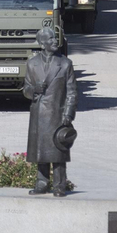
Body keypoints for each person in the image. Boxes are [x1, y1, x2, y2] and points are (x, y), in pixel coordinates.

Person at [24, 24, 78, 196]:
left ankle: (60, 185)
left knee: (58, 151)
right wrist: (34, 90)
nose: (55, 41)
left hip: (57, 113)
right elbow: (25, 89)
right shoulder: (32, 64)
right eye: (50, 39)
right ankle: (41, 182)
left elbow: (72, 92)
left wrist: (68, 114)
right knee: (41, 151)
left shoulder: (65, 63)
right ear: (42, 44)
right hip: (39, 113)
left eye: (55, 38)